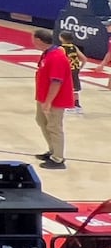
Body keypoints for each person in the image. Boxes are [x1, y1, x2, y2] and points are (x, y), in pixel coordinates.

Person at [34, 27, 73, 168]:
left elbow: (56, 82)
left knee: (54, 126)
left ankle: (58, 158)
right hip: (43, 97)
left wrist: (48, 102)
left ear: (38, 40)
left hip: (55, 100)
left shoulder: (57, 57)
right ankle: (52, 150)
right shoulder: (47, 53)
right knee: (41, 121)